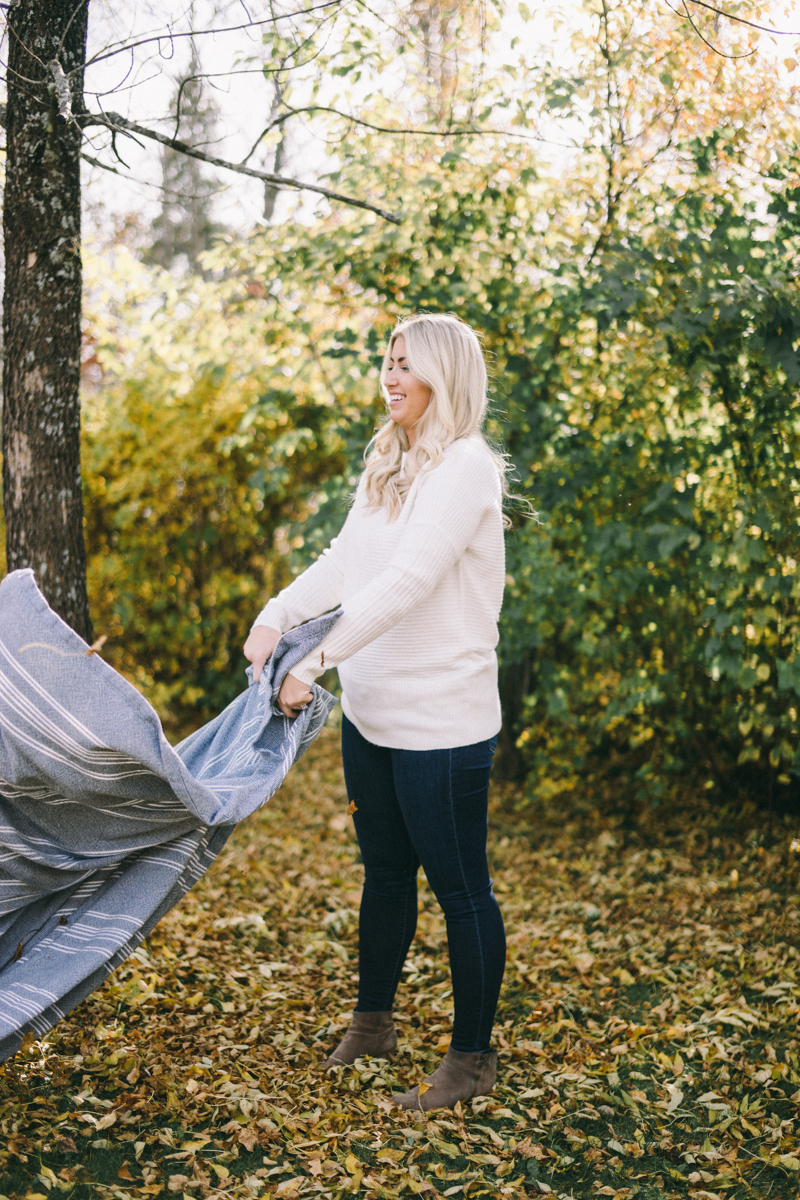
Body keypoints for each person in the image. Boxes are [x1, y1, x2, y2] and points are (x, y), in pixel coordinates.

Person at [243, 312, 508, 1111]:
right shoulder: (390, 460)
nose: (390, 377)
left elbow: (408, 580)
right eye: (386, 362)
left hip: (444, 726)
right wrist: (276, 614)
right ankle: (374, 1021)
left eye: (407, 365)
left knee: (461, 891)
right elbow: (346, 562)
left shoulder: (465, 467)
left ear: (446, 375)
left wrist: (314, 658)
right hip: (373, 716)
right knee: (385, 873)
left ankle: (470, 1059)